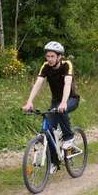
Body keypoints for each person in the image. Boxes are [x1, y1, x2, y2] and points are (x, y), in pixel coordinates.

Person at [23, 41, 80, 172]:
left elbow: (67, 83)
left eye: (52, 56)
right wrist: (29, 101)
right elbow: (38, 84)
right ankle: (54, 162)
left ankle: (69, 137)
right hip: (55, 101)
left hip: (70, 99)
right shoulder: (45, 66)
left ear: (59, 57)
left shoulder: (67, 65)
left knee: (61, 111)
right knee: (48, 130)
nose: (49, 59)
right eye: (47, 56)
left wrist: (64, 102)